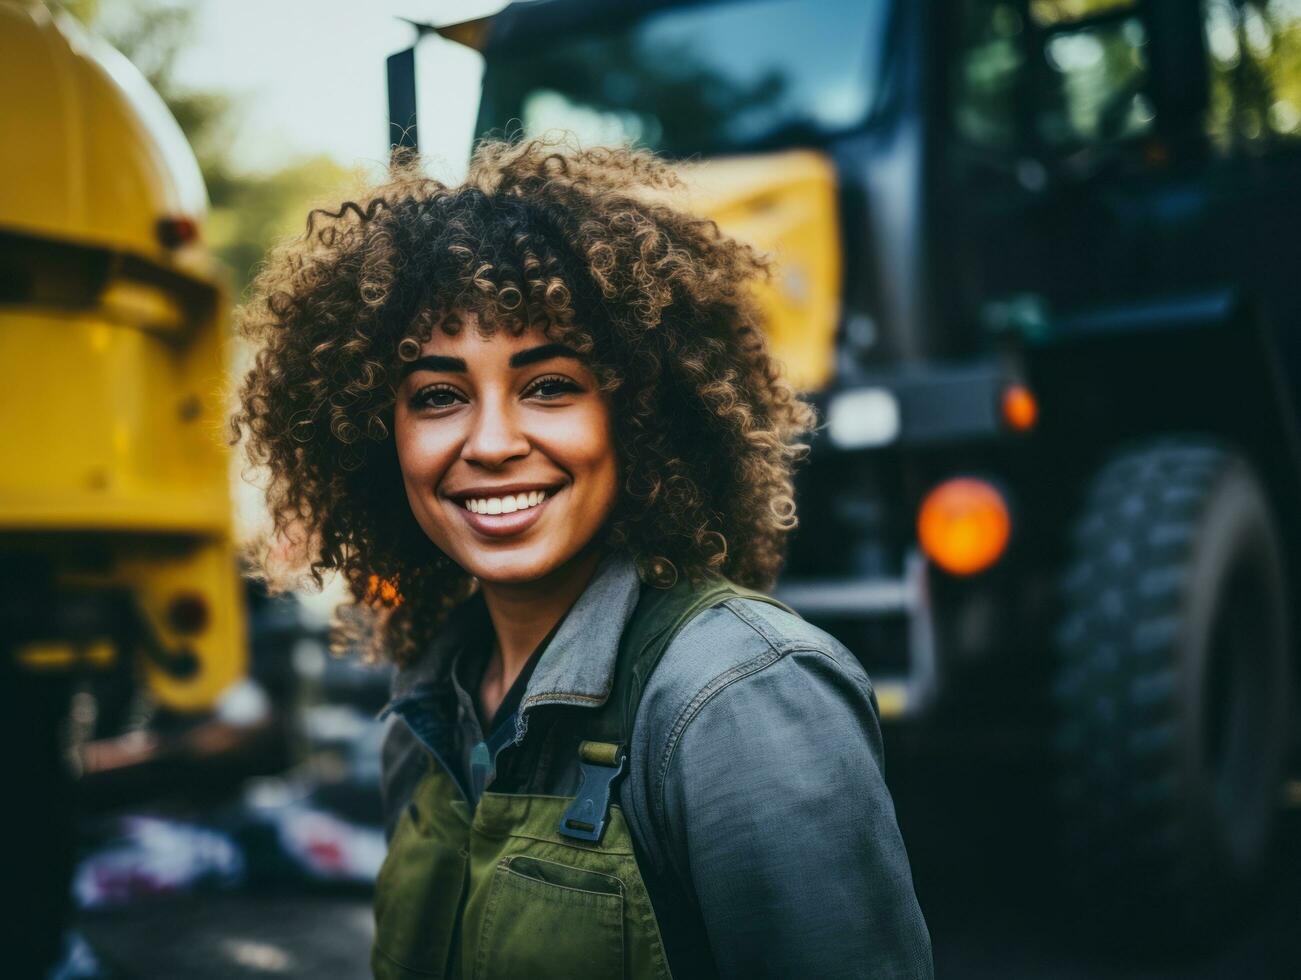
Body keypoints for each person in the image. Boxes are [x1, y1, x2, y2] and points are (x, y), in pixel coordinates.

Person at [233, 137, 932, 979]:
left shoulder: (736, 697)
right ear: (381, 439)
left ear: (639, 417)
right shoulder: (427, 699)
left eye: (550, 385)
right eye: (439, 397)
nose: (491, 443)